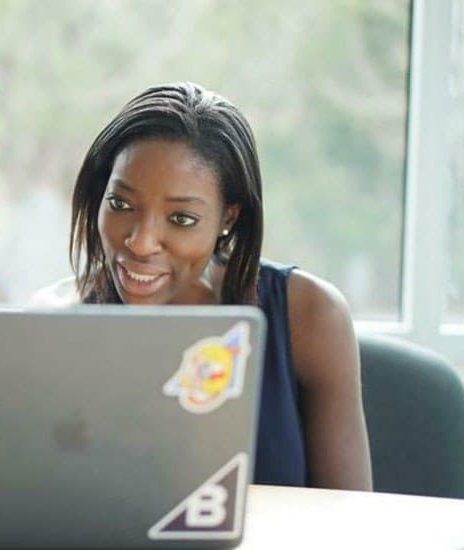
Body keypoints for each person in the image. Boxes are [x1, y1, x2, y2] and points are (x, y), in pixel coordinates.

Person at [41, 82, 372, 489]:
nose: (141, 243)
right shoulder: (56, 321)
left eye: (181, 219)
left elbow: (350, 514)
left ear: (228, 218)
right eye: (121, 204)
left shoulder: (309, 315)